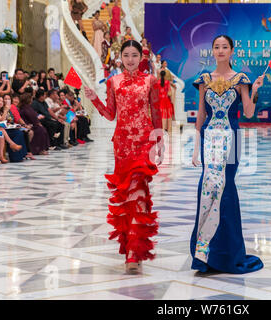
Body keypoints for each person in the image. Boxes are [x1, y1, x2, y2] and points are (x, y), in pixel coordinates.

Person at [84, 40, 163, 274]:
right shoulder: (113, 82)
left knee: (139, 191)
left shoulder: (151, 81)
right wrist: (93, 98)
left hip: (144, 142)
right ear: (120, 57)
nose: (130, 59)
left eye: (134, 55)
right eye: (126, 55)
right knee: (126, 194)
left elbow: (156, 113)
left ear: (142, 57)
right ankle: (129, 245)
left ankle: (134, 253)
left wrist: (159, 142)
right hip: (122, 144)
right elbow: (110, 115)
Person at [190, 35, 265, 274]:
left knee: (226, 189)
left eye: (225, 47)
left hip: (231, 139)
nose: (220, 50)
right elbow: (201, 115)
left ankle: (228, 253)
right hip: (208, 138)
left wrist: (255, 91)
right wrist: (195, 147)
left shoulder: (240, 79)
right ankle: (205, 254)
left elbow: (249, 112)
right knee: (207, 187)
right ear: (212, 51)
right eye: (216, 47)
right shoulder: (204, 79)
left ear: (232, 51)